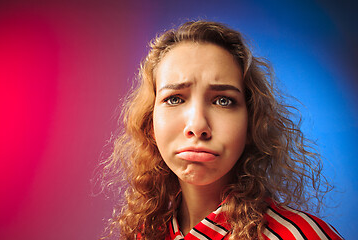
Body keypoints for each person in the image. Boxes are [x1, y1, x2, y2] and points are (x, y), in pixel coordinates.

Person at [100, 20, 343, 239]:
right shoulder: (147, 233)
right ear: (150, 123)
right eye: (174, 99)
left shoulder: (303, 236)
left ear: (252, 124)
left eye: (223, 101)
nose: (197, 126)